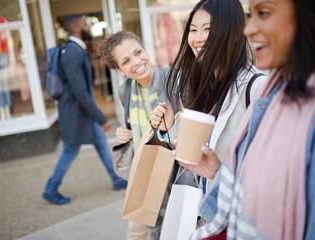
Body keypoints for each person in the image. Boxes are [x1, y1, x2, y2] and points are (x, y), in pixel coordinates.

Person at [177, 0, 315, 239]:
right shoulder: (208, 84)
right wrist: (216, 171)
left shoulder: (262, 89)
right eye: (193, 29)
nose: (249, 29)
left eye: (263, 13)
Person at [151, 0, 267, 222]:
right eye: (193, 30)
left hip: (242, 221)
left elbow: (269, 174)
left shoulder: (257, 88)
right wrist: (172, 127)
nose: (197, 38)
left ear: (234, 33)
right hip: (211, 216)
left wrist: (217, 171)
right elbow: (200, 155)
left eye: (208, 29)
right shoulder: (207, 85)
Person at [98, 31, 178, 240]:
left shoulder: (174, 79)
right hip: (145, 173)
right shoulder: (125, 91)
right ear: (119, 70)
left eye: (138, 52)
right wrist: (124, 134)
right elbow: (135, 130)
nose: (136, 61)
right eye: (126, 61)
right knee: (153, 229)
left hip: (176, 172)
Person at [42, 14, 127, 205]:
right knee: (71, 150)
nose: (89, 27)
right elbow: (80, 92)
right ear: (76, 28)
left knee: (100, 142)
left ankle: (116, 178)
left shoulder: (76, 50)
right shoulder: (72, 53)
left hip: (81, 113)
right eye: (86, 24)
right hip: (75, 114)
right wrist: (101, 117)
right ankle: (51, 188)